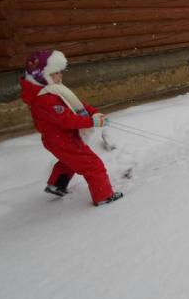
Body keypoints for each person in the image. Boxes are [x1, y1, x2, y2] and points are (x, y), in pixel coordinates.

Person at [20, 50, 123, 206]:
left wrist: (94, 114)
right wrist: (92, 122)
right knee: (92, 165)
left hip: (60, 139)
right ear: (42, 75)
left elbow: (78, 106)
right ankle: (103, 196)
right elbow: (67, 120)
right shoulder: (45, 99)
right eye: (56, 73)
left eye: (61, 71)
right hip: (63, 139)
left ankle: (57, 185)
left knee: (70, 161)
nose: (60, 75)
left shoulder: (54, 90)